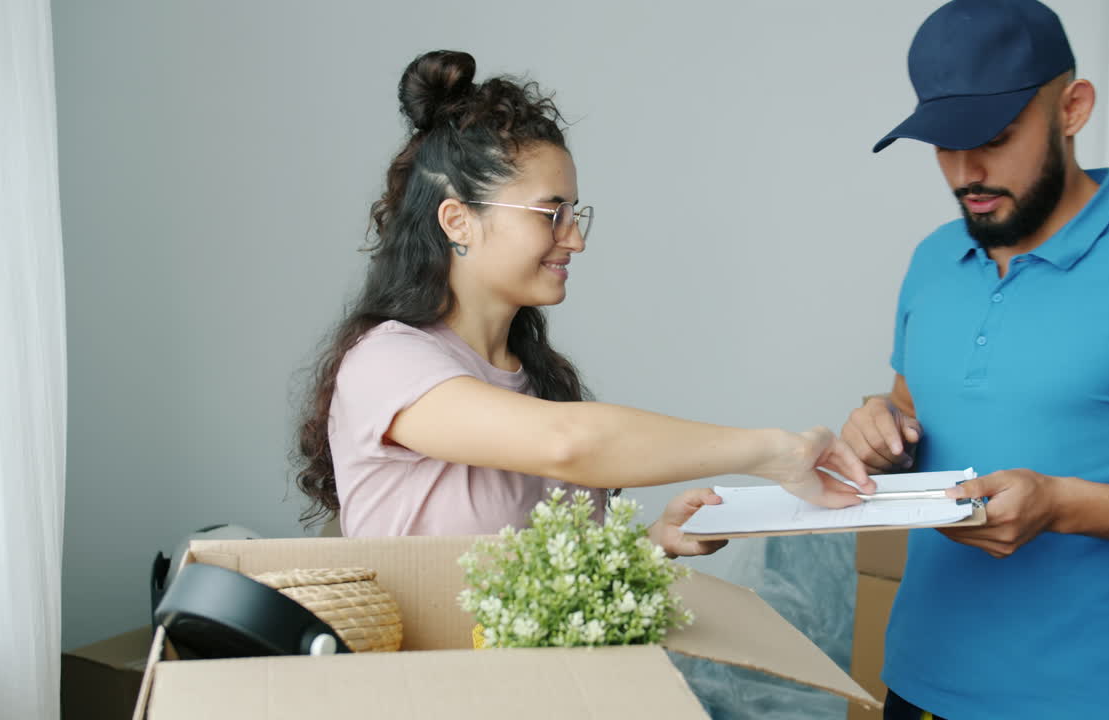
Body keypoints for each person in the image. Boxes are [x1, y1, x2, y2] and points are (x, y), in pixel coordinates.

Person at [295, 50, 875, 558]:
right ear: (458, 220)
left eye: (576, 214)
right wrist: (775, 452)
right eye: (552, 214)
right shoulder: (385, 364)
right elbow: (567, 443)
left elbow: (538, 575)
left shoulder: (540, 380)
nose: (575, 238)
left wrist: (651, 543)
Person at [840, 1, 1109, 717]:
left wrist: (1064, 505)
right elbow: (916, 412)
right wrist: (881, 429)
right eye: (943, 145)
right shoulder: (934, 259)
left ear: (1073, 108)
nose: (966, 172)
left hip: (1088, 703)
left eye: (993, 137)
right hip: (915, 684)